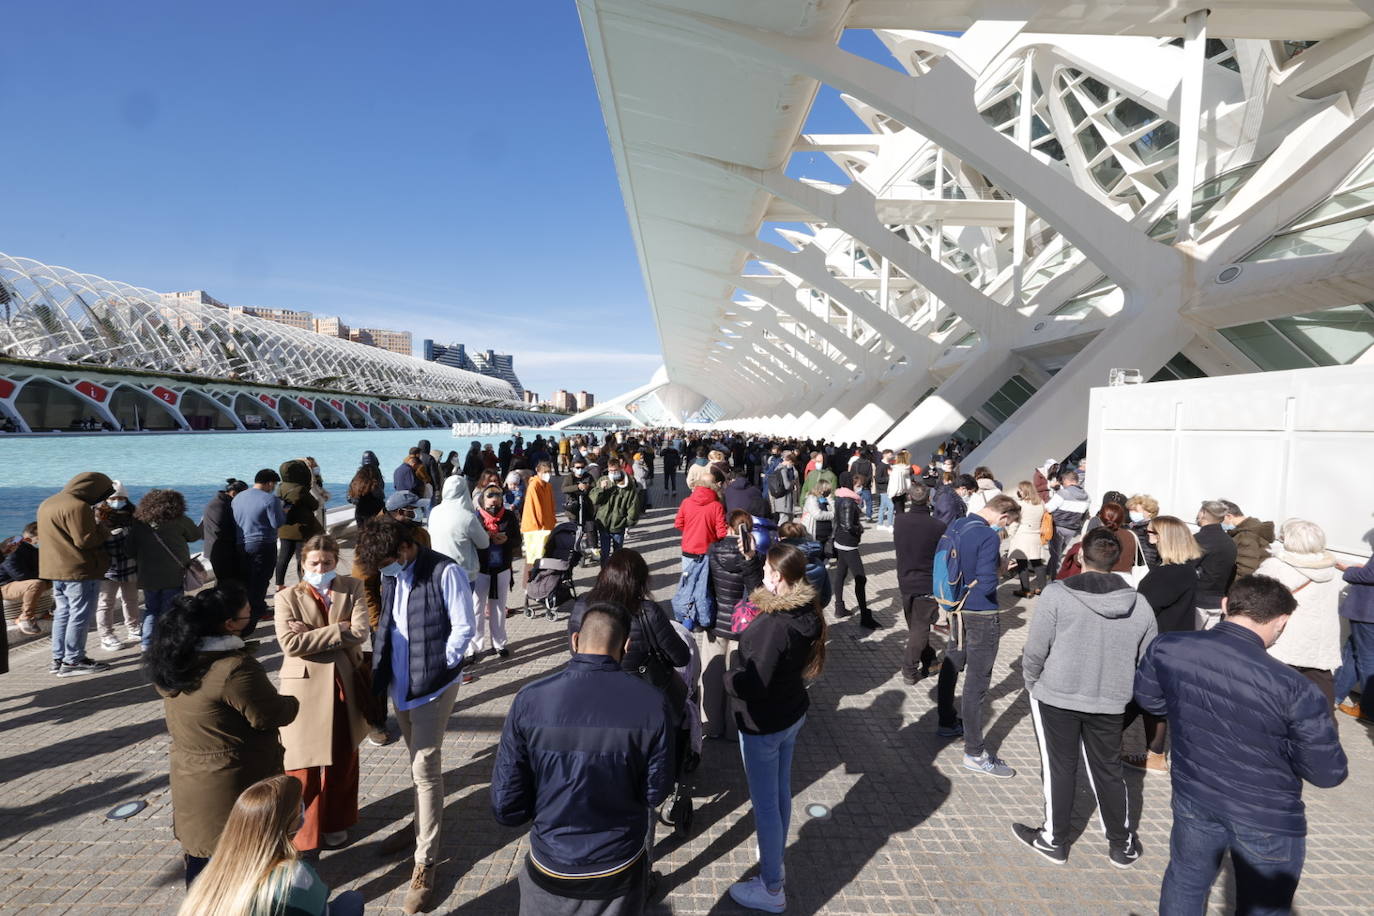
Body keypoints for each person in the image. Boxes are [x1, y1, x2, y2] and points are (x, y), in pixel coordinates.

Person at [1135, 575, 1348, 914]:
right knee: (1263, 905)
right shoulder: (1296, 688)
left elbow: (1150, 699)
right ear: (1282, 622)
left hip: (1195, 792)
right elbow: (1326, 772)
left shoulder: (1170, 646)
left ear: (1224, 606)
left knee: (1186, 879)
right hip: (1266, 813)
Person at [492, 603, 673, 915]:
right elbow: (655, 792)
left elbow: (506, 806)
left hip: (550, 866)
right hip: (618, 868)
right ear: (627, 647)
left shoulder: (529, 699)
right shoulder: (653, 704)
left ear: (574, 641)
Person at [1013, 529, 1157, 867]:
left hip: (1057, 694)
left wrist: (1032, 680)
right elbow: (1147, 658)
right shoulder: (1140, 603)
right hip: (1109, 699)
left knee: (1059, 767)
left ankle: (1054, 839)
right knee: (1107, 769)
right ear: (1117, 561)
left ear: (1080, 556)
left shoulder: (1056, 594)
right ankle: (1120, 845)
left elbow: (1036, 648)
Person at [357, 518, 475, 914]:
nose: (384, 569)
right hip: (401, 684)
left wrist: (442, 665)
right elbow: (389, 622)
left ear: (406, 547)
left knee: (425, 767)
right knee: (414, 764)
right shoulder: (393, 575)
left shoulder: (446, 571)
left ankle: (425, 862)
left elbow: (464, 628)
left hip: (433, 687)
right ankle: (418, 826)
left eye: (388, 560)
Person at [146, 584, 299, 885]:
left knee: (203, 872)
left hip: (192, 783)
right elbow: (270, 714)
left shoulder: (178, 661)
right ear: (230, 624)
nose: (251, 616)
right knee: (246, 871)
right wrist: (292, 699)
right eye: (247, 614)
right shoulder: (233, 669)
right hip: (234, 783)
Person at [724, 543, 826, 913]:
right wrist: (752, 561)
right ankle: (774, 856)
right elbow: (766, 597)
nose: (764, 575)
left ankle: (771, 887)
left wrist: (729, 675)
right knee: (780, 792)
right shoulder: (805, 609)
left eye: (767, 569)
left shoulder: (772, 630)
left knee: (765, 806)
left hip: (763, 724)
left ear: (778, 577)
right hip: (790, 715)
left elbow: (752, 685)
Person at [274, 535, 370, 855]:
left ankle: (337, 823)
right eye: (314, 562)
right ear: (302, 563)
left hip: (344, 683)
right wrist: (337, 630)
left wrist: (313, 634)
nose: (320, 567)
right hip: (302, 688)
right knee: (302, 765)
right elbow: (290, 644)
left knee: (343, 757)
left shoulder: (352, 587)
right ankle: (301, 830)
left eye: (327, 562)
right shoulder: (287, 596)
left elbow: (360, 632)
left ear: (336, 562)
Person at [177, 774, 364, 916]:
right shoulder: (294, 874)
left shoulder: (214, 869)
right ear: (290, 823)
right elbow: (321, 908)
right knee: (351, 900)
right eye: (300, 807)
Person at [936, 494, 1021, 778]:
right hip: (981, 614)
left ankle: (946, 720)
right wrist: (1000, 572)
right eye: (1007, 524)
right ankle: (975, 752)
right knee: (976, 683)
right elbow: (985, 583)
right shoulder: (988, 535)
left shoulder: (958, 524)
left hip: (956, 608)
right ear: (1004, 517)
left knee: (952, 662)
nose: (1004, 529)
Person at [1121, 515, 1200, 772]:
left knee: (1143, 696)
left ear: (1167, 538)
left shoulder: (1170, 573)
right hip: (1172, 643)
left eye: (1152, 533)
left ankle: (1109, 741)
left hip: (1158, 644)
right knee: (1148, 698)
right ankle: (1153, 753)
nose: (1148, 538)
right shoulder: (1184, 569)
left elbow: (1142, 607)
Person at [1255, 519, 1344, 706]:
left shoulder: (1276, 566)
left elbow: (1255, 599)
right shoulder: (1329, 567)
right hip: (1320, 642)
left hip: (1284, 641)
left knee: (1273, 700)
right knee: (1319, 701)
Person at [38, 471, 115, 676]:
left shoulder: (48, 502)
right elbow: (85, 541)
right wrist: (103, 529)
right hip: (79, 569)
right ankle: (73, 660)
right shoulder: (78, 506)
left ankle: (59, 658)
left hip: (55, 569)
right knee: (80, 615)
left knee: (62, 614)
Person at [700, 510, 765, 739]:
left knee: (711, 674)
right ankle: (732, 727)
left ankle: (710, 725)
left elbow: (705, 588)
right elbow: (758, 591)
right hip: (742, 625)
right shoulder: (755, 557)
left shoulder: (712, 550)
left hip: (717, 622)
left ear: (727, 526)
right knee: (736, 676)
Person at [129, 489, 202, 650]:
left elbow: (128, 550)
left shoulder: (139, 523)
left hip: (147, 576)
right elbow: (195, 535)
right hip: (173, 575)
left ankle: (147, 644)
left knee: (151, 610)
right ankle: (169, 643)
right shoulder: (179, 520)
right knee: (170, 611)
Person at [894, 483, 945, 685]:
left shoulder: (900, 521)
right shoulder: (938, 526)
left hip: (905, 580)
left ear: (909, 498)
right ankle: (909, 669)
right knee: (919, 628)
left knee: (915, 625)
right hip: (927, 582)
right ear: (929, 499)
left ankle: (930, 660)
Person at [672, 468, 729, 631]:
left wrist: (691, 532)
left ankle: (687, 620)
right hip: (707, 552)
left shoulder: (686, 502)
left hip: (688, 551)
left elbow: (678, 524)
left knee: (688, 585)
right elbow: (721, 532)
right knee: (704, 587)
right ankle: (703, 618)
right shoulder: (716, 506)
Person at [233, 469, 286, 637]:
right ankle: (252, 620)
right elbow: (277, 522)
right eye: (274, 484)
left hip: (242, 543)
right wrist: (285, 511)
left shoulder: (238, 497)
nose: (274, 487)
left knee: (247, 581)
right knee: (261, 581)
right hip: (263, 543)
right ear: (270, 482)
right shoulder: (270, 499)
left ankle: (246, 613)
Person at [474, 486, 520, 660]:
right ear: (483, 499)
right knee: (477, 609)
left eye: (498, 495)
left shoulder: (508, 516)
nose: (494, 499)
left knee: (499, 608)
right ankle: (475, 647)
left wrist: (507, 540)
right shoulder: (476, 518)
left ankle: (499, 643)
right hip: (481, 570)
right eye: (490, 495)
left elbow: (517, 540)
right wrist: (485, 537)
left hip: (501, 569)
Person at [831, 475, 878, 628]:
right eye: (856, 484)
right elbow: (847, 525)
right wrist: (860, 529)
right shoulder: (848, 501)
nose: (858, 487)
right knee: (861, 578)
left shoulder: (840, 496)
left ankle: (839, 608)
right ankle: (864, 615)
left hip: (840, 541)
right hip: (848, 543)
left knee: (840, 574)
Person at [427, 475, 490, 583]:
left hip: (439, 570)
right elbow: (484, 543)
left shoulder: (434, 512)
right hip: (463, 574)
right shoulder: (468, 517)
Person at [1335, 551, 1374, 719]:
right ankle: (1334, 696)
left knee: (1367, 658)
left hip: (1368, 612)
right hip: (1366, 614)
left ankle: (1369, 709)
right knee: (1352, 652)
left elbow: (1370, 575)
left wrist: (1348, 569)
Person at [275, 460, 322, 590]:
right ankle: (303, 583)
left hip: (284, 528)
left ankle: (279, 584)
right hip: (302, 530)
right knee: (301, 559)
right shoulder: (300, 489)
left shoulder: (280, 487)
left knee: (283, 558)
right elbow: (314, 505)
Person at [1193, 500, 1238, 630]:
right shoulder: (1229, 542)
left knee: (1191, 642)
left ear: (1203, 513)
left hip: (1198, 602)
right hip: (1218, 602)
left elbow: (1185, 569)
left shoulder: (1199, 539)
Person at [590, 458, 642, 568]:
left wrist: (628, 521)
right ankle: (604, 573)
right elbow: (594, 499)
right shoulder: (603, 480)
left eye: (615, 470)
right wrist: (601, 489)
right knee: (605, 552)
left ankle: (617, 573)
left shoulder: (628, 483)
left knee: (618, 553)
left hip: (618, 524)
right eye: (611, 470)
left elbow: (633, 504)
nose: (613, 473)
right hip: (604, 524)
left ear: (620, 468)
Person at [1, 522, 49, 637]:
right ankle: (25, 618)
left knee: (60, 578)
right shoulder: (13, 545)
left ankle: (50, 610)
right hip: (5, 585)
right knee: (36, 584)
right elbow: (19, 575)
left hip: (18, 582)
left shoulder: (30, 548)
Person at [520, 461, 558, 597]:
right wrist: (540, 528)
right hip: (534, 528)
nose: (547, 475)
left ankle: (540, 583)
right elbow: (534, 508)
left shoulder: (547, 486)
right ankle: (527, 586)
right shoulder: (534, 485)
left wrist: (552, 522)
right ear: (538, 472)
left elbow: (552, 505)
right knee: (532, 558)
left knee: (541, 556)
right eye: (545, 472)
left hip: (545, 527)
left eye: (549, 472)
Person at [201, 478, 247, 587]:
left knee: (226, 581)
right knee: (226, 582)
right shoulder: (218, 505)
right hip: (221, 551)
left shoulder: (225, 503)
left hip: (225, 549)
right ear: (234, 493)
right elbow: (219, 530)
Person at [1043, 470, 1090, 578]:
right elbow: (1084, 515)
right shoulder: (1087, 496)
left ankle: (1055, 579)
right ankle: (1048, 573)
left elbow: (1048, 508)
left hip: (1057, 528)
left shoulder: (1063, 494)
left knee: (1056, 556)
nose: (1062, 484)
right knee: (1057, 554)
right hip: (1072, 530)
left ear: (1066, 480)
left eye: (1062, 481)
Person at [1006, 481, 1048, 598]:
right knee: (1037, 563)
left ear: (1024, 490)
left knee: (1022, 564)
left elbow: (1015, 523)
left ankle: (1026, 590)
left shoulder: (1020, 505)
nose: (1018, 491)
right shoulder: (1041, 503)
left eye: (1020, 489)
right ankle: (1042, 588)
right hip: (1036, 535)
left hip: (1022, 535)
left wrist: (1011, 534)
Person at [1216, 500, 1275, 579]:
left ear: (1229, 516)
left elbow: (1244, 571)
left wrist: (1234, 590)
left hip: (1243, 587)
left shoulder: (1246, 536)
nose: (1217, 523)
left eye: (1218, 519)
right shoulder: (1249, 531)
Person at [1124, 494, 1160, 567]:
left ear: (1149, 512)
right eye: (1131, 510)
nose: (1132, 513)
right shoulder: (1131, 526)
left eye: (1136, 511)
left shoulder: (1149, 530)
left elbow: (1149, 556)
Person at [347, 464, 386, 531]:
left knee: (363, 535)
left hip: (360, 513)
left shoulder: (356, 484)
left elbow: (350, 498)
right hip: (374, 514)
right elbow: (380, 498)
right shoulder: (374, 486)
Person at [886, 449, 915, 515]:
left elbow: (895, 482)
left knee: (898, 509)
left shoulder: (897, 469)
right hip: (903, 491)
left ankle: (899, 522)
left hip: (896, 492)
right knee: (901, 508)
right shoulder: (906, 468)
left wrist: (891, 494)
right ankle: (902, 521)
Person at [874, 450, 894, 528]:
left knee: (883, 507)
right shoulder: (880, 466)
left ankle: (880, 524)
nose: (892, 456)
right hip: (884, 489)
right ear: (885, 455)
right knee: (891, 506)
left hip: (887, 488)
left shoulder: (888, 465)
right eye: (890, 455)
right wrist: (889, 477)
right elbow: (878, 479)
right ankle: (890, 525)